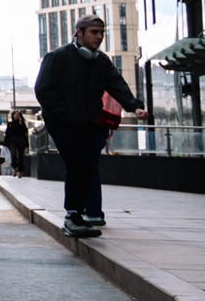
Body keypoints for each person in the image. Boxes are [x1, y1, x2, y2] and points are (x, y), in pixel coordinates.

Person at [33, 16, 139, 237]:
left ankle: (77, 215)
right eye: (94, 32)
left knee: (87, 167)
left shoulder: (101, 61)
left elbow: (117, 84)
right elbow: (43, 90)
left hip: (87, 122)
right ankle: (72, 215)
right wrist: (62, 112)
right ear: (79, 32)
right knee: (77, 163)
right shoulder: (58, 57)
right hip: (62, 122)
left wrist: (135, 106)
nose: (99, 37)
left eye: (101, 32)